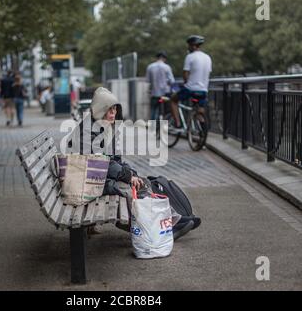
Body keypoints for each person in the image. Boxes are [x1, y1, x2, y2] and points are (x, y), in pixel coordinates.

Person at [73, 87, 194, 239]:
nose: (113, 114)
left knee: (143, 182)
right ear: (99, 110)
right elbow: (101, 163)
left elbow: (115, 160)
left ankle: (172, 219)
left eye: (115, 109)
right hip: (89, 181)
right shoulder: (89, 131)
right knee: (131, 190)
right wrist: (128, 177)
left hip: (99, 176)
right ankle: (158, 228)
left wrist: (130, 173)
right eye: (109, 110)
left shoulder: (105, 127)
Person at [171, 35, 212, 130]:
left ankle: (177, 124)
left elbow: (185, 74)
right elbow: (207, 73)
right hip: (203, 90)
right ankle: (203, 134)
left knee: (173, 100)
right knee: (199, 112)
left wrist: (185, 83)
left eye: (189, 45)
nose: (188, 48)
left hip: (190, 89)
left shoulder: (190, 57)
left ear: (193, 45)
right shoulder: (207, 57)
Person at [146, 51, 175, 121]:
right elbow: (172, 81)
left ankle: (152, 129)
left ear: (157, 58)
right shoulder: (167, 67)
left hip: (154, 93)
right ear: (164, 58)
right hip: (165, 93)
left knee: (153, 110)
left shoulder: (150, 67)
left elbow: (148, 80)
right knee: (165, 112)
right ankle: (163, 129)